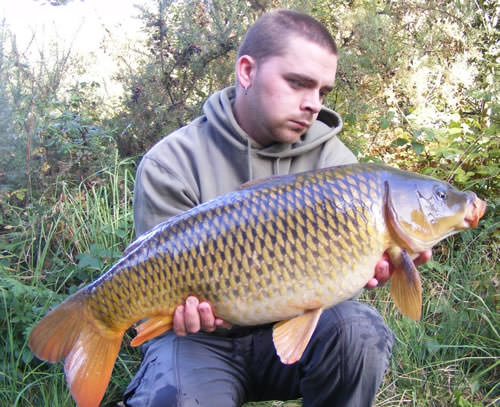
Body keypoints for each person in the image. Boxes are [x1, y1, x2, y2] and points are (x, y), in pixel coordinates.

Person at [124, 9, 430, 407]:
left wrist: (379, 263)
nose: (313, 104)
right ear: (247, 72)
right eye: (298, 84)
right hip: (198, 342)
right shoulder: (172, 162)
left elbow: (345, 284)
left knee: (360, 331)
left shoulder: (337, 164)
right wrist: (176, 311)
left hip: (293, 337)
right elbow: (153, 276)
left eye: (323, 92)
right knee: (178, 396)